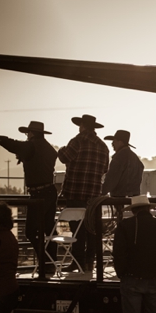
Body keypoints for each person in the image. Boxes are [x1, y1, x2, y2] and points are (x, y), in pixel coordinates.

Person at [0, 121, 58, 279]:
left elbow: (12, 144)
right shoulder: (49, 149)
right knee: (48, 229)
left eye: (27, 133)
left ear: (32, 133)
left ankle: (45, 264)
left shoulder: (31, 145)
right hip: (49, 192)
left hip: (38, 194)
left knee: (31, 231)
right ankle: (49, 264)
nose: (26, 136)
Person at [57, 114, 109, 273]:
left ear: (82, 126)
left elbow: (65, 158)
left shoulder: (77, 141)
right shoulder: (103, 147)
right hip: (94, 196)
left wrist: (61, 150)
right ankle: (89, 262)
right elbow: (105, 169)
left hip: (75, 193)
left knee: (76, 229)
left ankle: (77, 262)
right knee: (91, 230)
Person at [101, 130, 144, 197]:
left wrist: (101, 191)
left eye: (114, 141)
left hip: (120, 198)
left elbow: (111, 180)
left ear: (120, 142)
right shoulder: (136, 159)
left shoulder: (118, 158)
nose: (112, 144)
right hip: (134, 198)